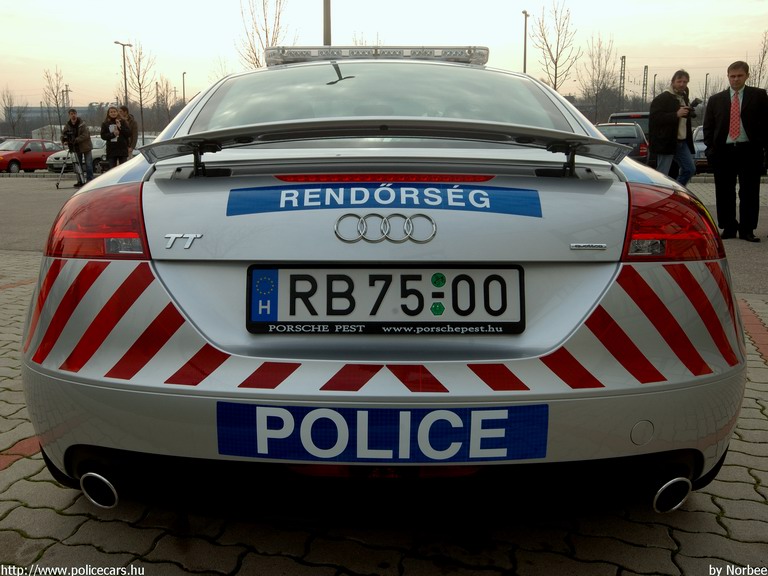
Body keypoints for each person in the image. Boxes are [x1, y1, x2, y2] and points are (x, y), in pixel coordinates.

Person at [703, 61, 768, 242]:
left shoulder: (759, 96)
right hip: (723, 151)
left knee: (749, 191)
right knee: (724, 192)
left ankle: (747, 230)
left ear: (747, 75)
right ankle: (728, 227)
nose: (736, 79)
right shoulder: (716, 100)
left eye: (740, 76)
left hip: (750, 150)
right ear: (728, 76)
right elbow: (708, 127)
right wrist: (711, 149)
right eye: (732, 76)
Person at [648, 70, 697, 186]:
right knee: (662, 174)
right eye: (679, 81)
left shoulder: (684, 96)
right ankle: (661, 193)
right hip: (666, 142)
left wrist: (689, 112)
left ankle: (676, 191)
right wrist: (676, 114)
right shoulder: (662, 98)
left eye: (685, 82)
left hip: (682, 141)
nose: (682, 84)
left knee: (690, 169)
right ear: (673, 82)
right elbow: (655, 118)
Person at [61, 108, 94, 187]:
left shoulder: (82, 124)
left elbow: (85, 135)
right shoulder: (67, 125)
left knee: (88, 164)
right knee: (77, 165)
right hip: (76, 148)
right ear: (69, 115)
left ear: (76, 114)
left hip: (86, 147)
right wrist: (64, 140)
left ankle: (90, 181)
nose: (73, 115)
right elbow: (63, 134)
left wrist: (75, 140)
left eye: (74, 114)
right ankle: (80, 180)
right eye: (71, 114)